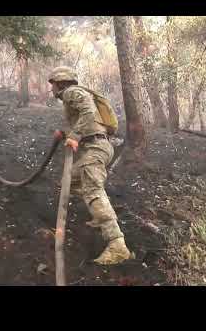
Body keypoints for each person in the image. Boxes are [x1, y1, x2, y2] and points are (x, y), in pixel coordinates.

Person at [48, 66, 132, 265]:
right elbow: (83, 119)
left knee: (93, 189)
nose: (51, 89)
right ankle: (98, 215)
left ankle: (117, 245)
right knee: (70, 181)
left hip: (96, 147)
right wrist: (65, 132)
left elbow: (88, 111)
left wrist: (75, 136)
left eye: (52, 84)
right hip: (99, 145)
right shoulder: (72, 96)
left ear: (60, 82)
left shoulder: (71, 92)